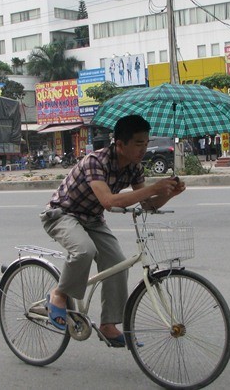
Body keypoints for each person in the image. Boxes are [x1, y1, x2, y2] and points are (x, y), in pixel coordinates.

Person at [39, 115, 186, 347]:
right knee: (84, 250)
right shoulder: (95, 162)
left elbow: (147, 205)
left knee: (117, 264)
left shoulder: (134, 168)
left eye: (146, 143)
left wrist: (168, 193)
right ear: (120, 144)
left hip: (92, 219)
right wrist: (153, 189)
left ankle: (108, 324)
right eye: (138, 143)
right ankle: (58, 294)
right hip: (62, 214)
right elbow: (108, 201)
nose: (143, 149)